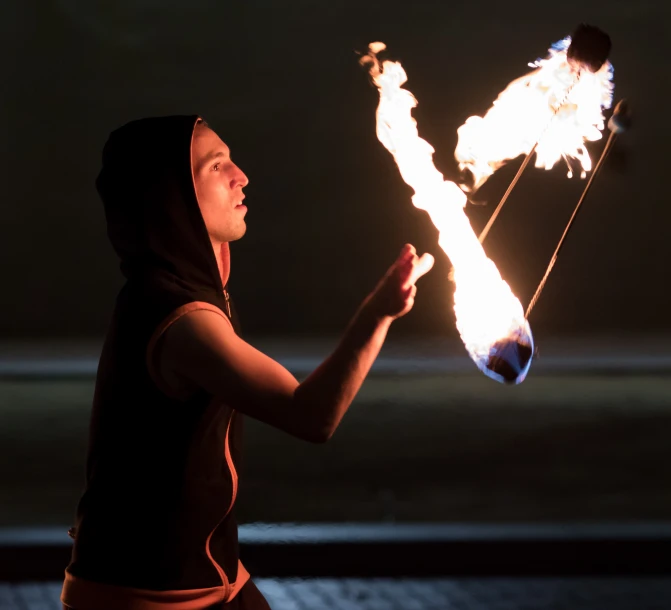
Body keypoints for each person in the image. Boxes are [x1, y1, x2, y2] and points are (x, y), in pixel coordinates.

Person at [61, 115, 434, 610]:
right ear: (173, 197)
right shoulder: (182, 321)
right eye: (217, 166)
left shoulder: (184, 291)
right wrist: (379, 312)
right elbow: (311, 415)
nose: (242, 176)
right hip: (145, 595)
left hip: (213, 576)